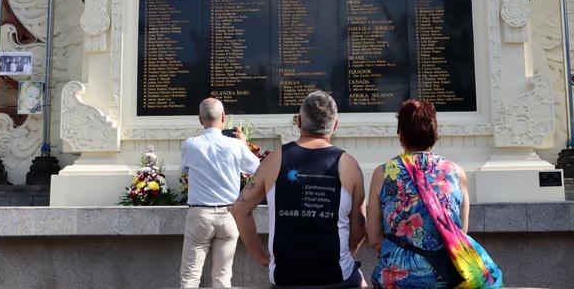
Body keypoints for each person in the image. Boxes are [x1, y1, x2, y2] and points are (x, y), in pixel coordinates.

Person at [231, 91, 367, 288]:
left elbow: (239, 209)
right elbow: (360, 225)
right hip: (336, 277)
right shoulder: (348, 165)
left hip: (286, 278)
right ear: (335, 124)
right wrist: (349, 253)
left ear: (299, 122)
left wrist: (262, 257)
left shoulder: (274, 160)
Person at [367, 99, 502, 289]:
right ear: (434, 133)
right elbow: (459, 233)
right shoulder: (456, 173)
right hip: (447, 279)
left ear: (400, 134)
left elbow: (373, 237)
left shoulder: (384, 174)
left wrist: (401, 256)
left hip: (396, 278)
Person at [179, 98, 261, 288]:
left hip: (200, 215)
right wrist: (243, 144)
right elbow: (257, 168)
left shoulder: (189, 145)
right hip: (229, 216)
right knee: (223, 279)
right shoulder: (236, 145)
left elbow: (184, 171)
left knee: (190, 277)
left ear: (200, 119)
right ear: (223, 117)